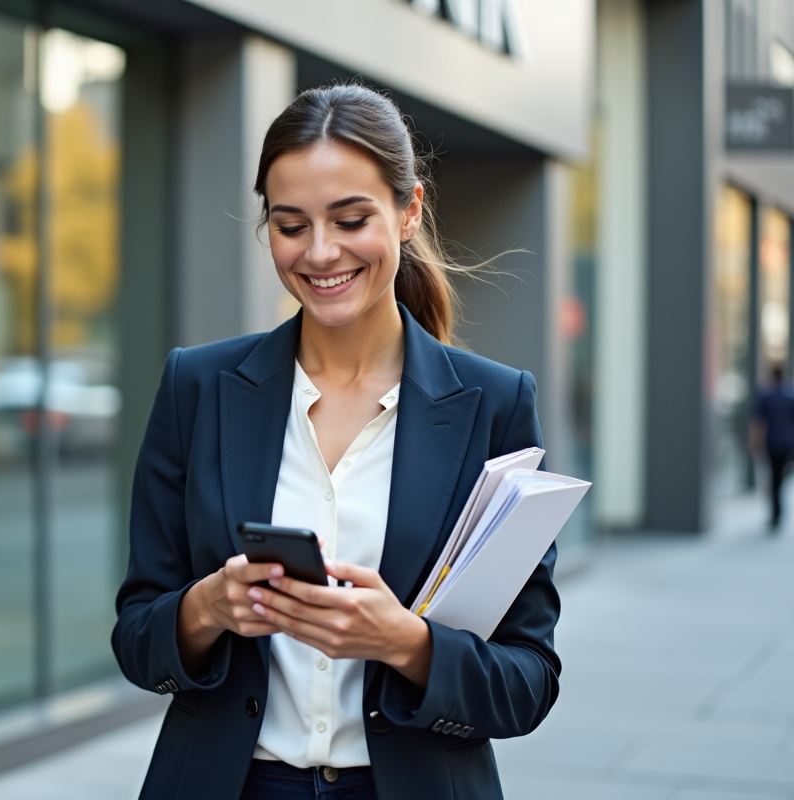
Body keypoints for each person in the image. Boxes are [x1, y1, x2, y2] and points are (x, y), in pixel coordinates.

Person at [112, 84, 561, 800]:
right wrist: (208, 607)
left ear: (409, 211)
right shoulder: (196, 388)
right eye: (290, 226)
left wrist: (404, 644)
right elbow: (137, 638)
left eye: (351, 219)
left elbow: (527, 681)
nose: (320, 254)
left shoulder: (495, 406)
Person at [751, 365, 794, 532]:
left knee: (775, 478)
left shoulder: (766, 396)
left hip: (772, 442)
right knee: (780, 478)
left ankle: (776, 514)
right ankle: (778, 512)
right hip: (788, 443)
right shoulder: (790, 396)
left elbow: (758, 423)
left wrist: (754, 443)